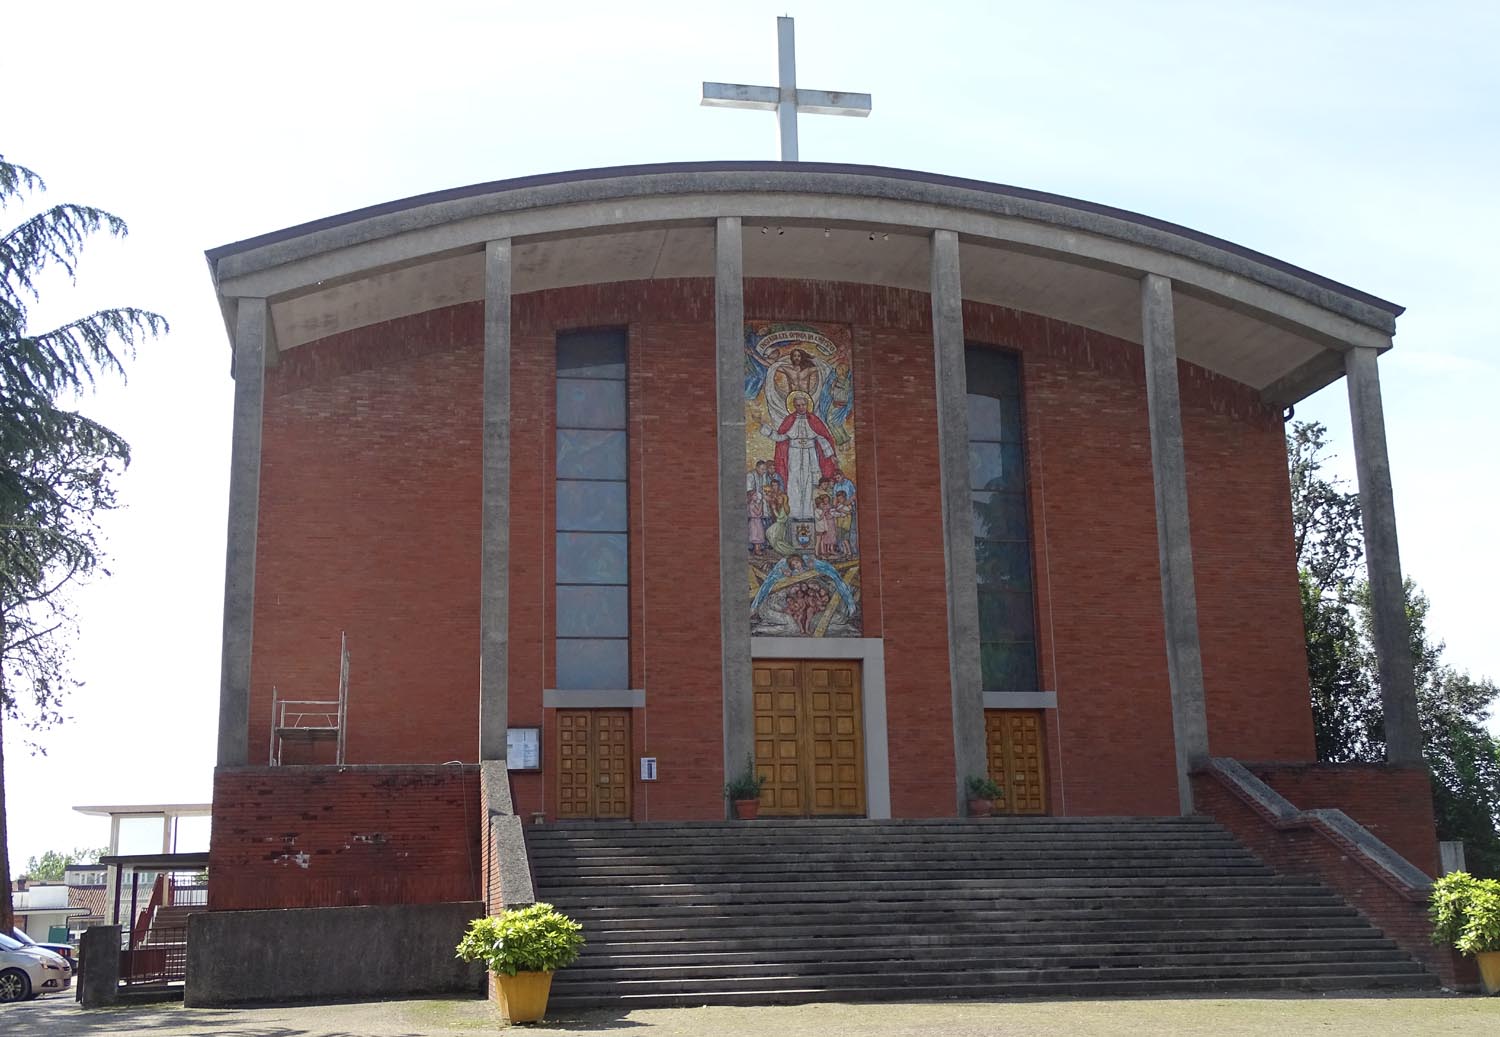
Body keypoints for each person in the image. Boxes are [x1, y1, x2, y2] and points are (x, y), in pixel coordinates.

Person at [761, 391, 838, 520]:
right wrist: (765, 429)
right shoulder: (790, 420)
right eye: (798, 405)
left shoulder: (813, 420)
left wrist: (831, 455)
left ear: (807, 405)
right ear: (794, 406)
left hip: (810, 454)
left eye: (803, 404)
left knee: (810, 482)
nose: (801, 407)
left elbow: (822, 438)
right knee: (794, 481)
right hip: (794, 453)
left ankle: (809, 513)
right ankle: (794, 513)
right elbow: (780, 437)